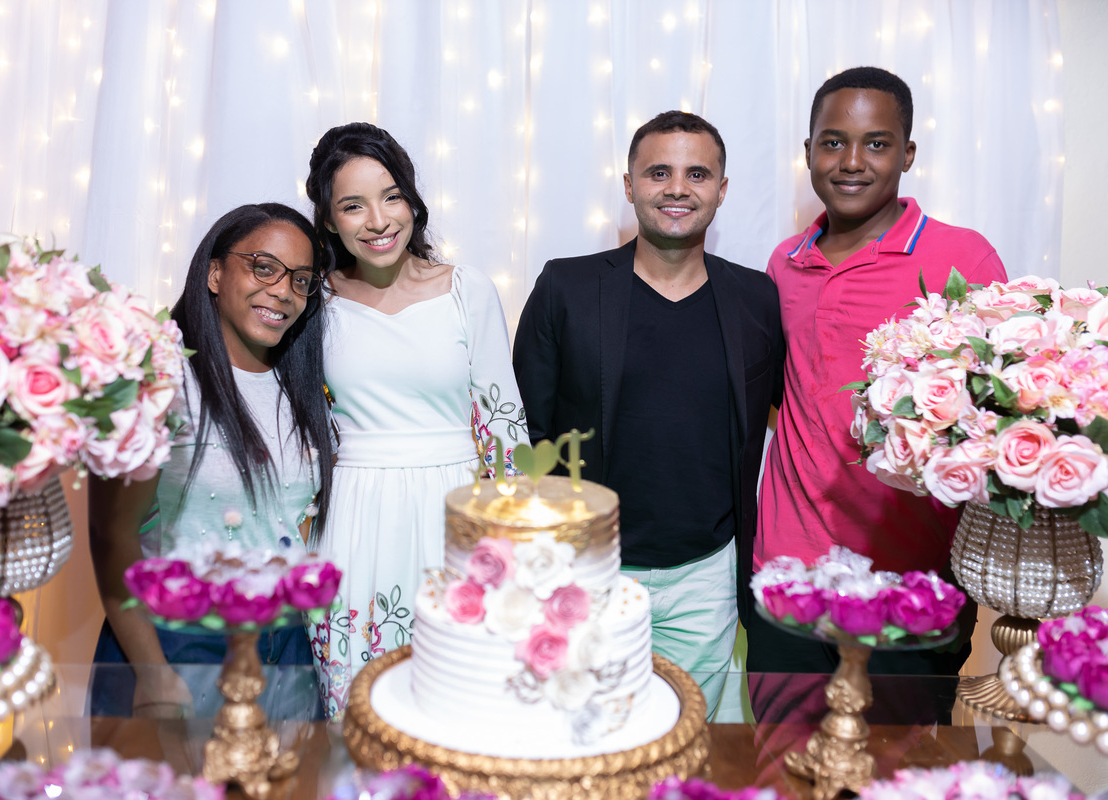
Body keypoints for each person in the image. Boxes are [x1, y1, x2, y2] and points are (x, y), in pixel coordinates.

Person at [748, 67, 1008, 720]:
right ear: (808, 151)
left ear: (908, 153)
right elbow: (783, 390)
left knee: (901, 761)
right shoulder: (784, 264)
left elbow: (997, 413)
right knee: (780, 757)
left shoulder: (962, 259)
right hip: (789, 568)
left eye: (877, 143)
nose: (852, 161)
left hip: (912, 579)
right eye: (833, 142)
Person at [513, 111, 785, 718]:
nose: (677, 188)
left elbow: (789, 419)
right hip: (589, 571)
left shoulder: (756, 298)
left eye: (697, 174)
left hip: (706, 578)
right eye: (659, 172)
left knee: (685, 739)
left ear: (721, 189)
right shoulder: (566, 288)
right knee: (586, 737)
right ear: (629, 185)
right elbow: (526, 433)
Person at [304, 122, 526, 718]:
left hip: (455, 510)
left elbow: (504, 428)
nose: (378, 221)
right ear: (329, 220)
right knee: (359, 708)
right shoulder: (313, 302)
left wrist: (515, 539)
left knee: (458, 701)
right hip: (353, 515)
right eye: (353, 205)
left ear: (413, 201)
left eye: (392, 196)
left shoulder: (467, 290)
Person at [89, 203, 334, 718]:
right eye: (263, 268)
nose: (283, 291)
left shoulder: (303, 388)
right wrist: (154, 675)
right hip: (177, 642)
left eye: (301, 280)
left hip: (287, 645)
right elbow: (112, 538)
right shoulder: (160, 380)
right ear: (215, 273)